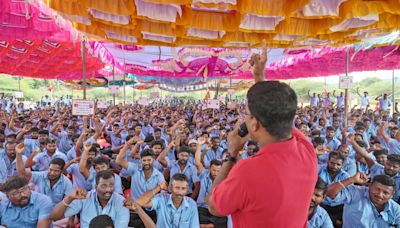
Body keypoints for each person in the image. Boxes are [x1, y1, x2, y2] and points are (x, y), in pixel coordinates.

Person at [207, 42, 318, 227]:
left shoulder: (247, 171)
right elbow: (277, 111)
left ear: (255, 125)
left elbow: (214, 206)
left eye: (248, 115)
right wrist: (259, 77)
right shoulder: (306, 150)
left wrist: (232, 155)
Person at [50, 170, 130, 228]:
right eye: (103, 186)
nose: (108, 189)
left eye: (111, 185)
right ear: (96, 187)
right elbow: (55, 216)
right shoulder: (85, 198)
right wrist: (70, 198)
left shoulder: (121, 201)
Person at [327, 173, 400, 227]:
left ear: (392, 194)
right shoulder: (355, 193)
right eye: (377, 189)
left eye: (385, 192)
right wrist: (352, 179)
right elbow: (329, 193)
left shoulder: (396, 210)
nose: (380, 195)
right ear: (369, 186)